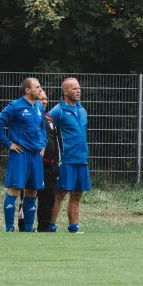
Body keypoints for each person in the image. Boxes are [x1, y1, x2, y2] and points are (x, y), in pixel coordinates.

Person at [0, 78, 47, 232]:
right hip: (20, 154)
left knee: (33, 190)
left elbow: (42, 128)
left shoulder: (39, 108)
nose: (40, 89)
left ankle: (28, 229)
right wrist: (9, 144)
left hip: (36, 155)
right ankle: (10, 228)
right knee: (14, 190)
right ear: (27, 90)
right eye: (37, 87)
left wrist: (43, 144)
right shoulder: (15, 106)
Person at [48, 78, 91, 233]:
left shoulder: (82, 110)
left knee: (77, 194)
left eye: (79, 88)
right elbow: (47, 131)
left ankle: (73, 228)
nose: (78, 91)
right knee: (59, 193)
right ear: (65, 91)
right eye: (74, 89)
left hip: (81, 159)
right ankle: (50, 226)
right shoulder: (57, 111)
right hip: (65, 160)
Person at [18, 89, 62, 232]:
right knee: (29, 197)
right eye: (40, 99)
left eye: (45, 99)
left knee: (48, 199)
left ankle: (44, 228)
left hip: (51, 167)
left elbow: (56, 142)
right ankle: (24, 227)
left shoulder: (49, 119)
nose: (44, 101)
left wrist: (57, 162)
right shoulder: (27, 118)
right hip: (34, 164)